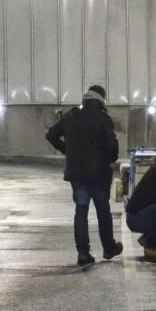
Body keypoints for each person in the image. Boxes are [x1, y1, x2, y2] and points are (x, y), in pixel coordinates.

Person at [46, 84, 123, 266]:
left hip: (77, 176)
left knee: (81, 212)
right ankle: (108, 248)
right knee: (103, 212)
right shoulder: (103, 119)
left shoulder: (71, 117)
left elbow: (51, 135)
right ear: (101, 100)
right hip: (99, 175)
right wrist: (109, 159)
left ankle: (83, 252)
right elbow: (112, 148)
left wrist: (68, 151)